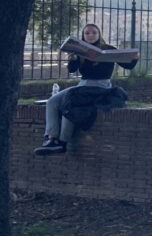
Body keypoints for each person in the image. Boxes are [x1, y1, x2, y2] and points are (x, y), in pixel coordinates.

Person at [34, 23, 138, 155]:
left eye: (94, 32)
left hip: (101, 86)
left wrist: (134, 59)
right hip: (83, 85)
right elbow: (72, 70)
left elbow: (127, 65)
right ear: (83, 36)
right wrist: (73, 59)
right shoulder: (80, 50)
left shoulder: (108, 48)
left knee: (71, 104)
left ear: (99, 34)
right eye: (87, 33)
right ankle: (51, 138)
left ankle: (62, 142)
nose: (90, 35)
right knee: (52, 101)